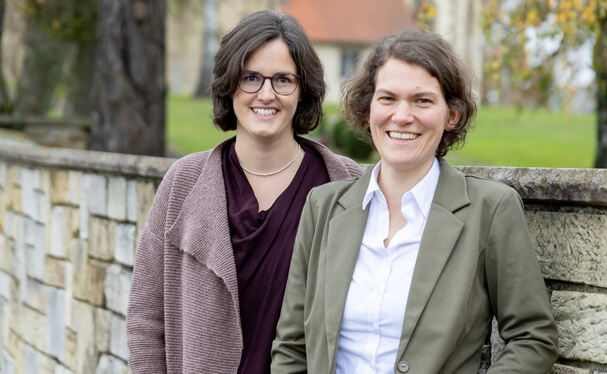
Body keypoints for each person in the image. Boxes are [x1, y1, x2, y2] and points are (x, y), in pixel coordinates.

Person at [271, 28, 558, 373]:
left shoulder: (490, 210)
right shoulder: (323, 206)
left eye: (422, 100)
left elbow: (533, 336)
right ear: (367, 109)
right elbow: (291, 345)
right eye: (387, 98)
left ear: (451, 114)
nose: (402, 116)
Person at [126, 10, 362, 374]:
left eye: (283, 79)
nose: (266, 94)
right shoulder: (184, 182)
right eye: (250, 77)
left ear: (303, 90)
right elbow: (146, 317)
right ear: (229, 84)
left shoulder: (344, 183)